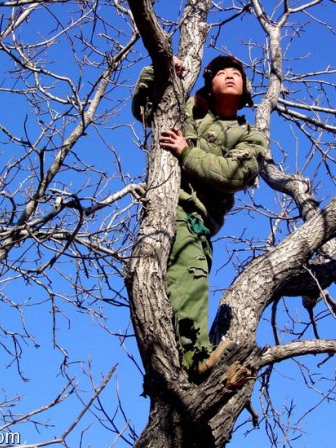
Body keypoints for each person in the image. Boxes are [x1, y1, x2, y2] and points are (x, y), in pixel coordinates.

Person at [132, 55, 267, 379]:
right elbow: (146, 110)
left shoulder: (251, 137)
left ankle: (179, 365)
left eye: (237, 72)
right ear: (210, 82)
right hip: (175, 209)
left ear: (246, 89)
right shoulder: (191, 113)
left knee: (188, 278)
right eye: (222, 72)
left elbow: (234, 173)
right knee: (191, 277)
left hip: (202, 223)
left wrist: (187, 153)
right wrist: (160, 69)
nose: (230, 76)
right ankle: (195, 357)